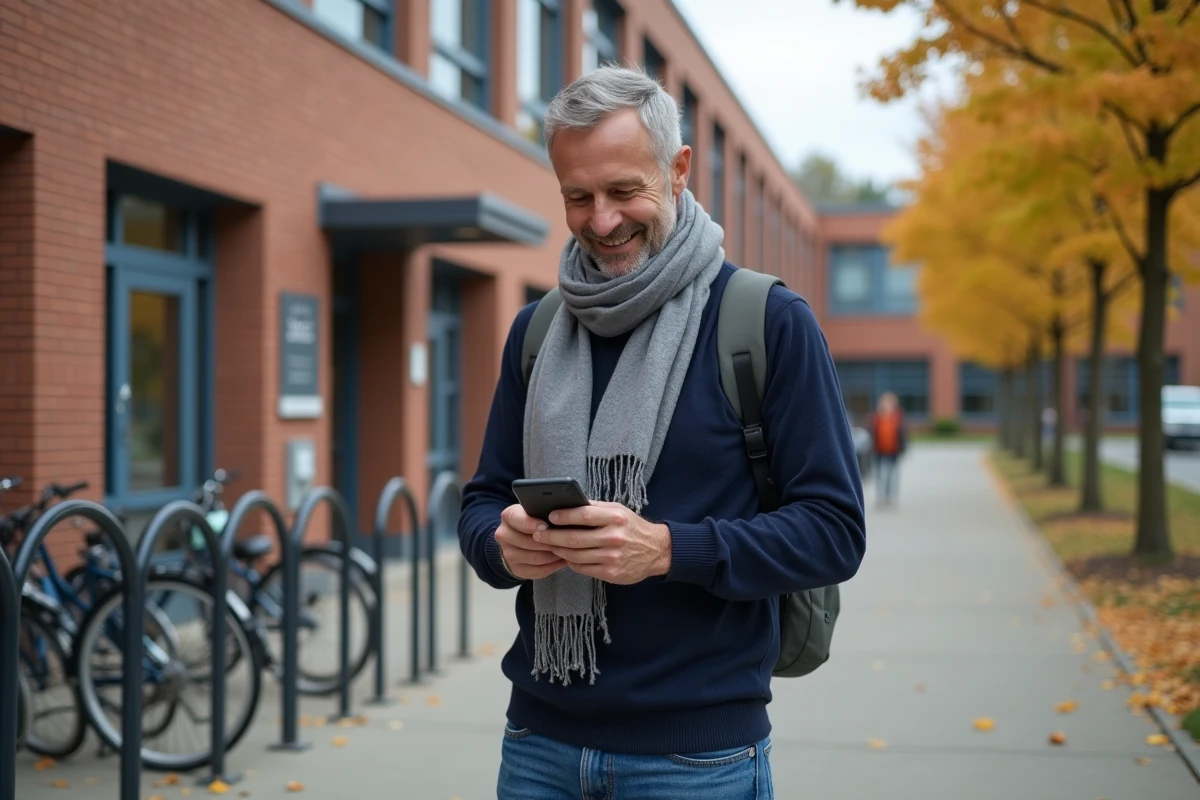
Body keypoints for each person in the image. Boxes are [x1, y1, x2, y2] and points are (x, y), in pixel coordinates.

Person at [458, 66, 866, 799]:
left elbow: (834, 530)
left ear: (678, 170)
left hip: (697, 761)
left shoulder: (766, 323)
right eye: (577, 197)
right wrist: (501, 543)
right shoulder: (537, 330)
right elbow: (481, 501)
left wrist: (669, 549)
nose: (602, 221)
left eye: (623, 191)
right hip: (538, 746)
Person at [868, 392, 906, 508]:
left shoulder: (897, 417)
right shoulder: (876, 417)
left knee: (892, 475)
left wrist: (903, 448)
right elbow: (871, 432)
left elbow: (902, 434)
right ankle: (880, 497)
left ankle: (890, 498)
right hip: (879, 450)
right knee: (880, 475)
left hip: (893, 451)